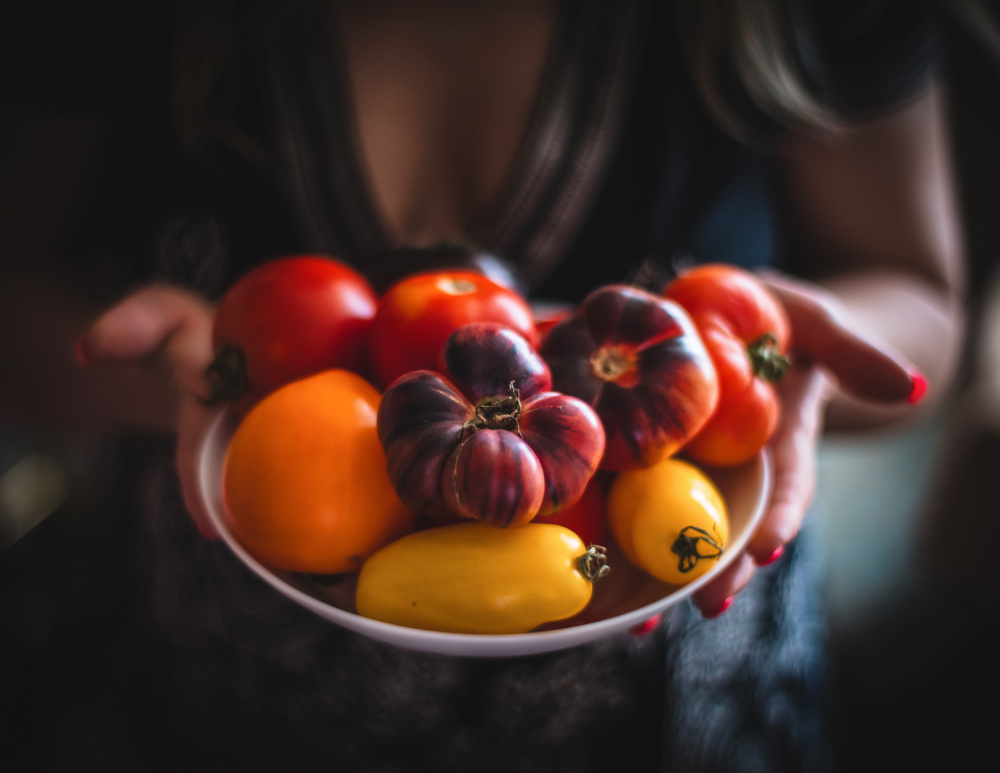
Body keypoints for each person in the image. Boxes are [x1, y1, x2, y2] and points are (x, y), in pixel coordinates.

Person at [0, 0, 965, 770]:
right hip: (234, 675)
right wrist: (172, 381)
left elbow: (924, 302)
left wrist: (793, 366)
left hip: (686, 686)